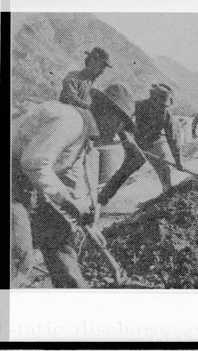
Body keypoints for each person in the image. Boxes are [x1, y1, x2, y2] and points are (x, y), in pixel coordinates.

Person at [12, 83, 137, 288]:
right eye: (121, 123)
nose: (119, 131)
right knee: (19, 256)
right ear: (108, 114)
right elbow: (34, 163)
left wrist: (88, 218)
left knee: (59, 231)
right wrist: (68, 203)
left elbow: (73, 181)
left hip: (26, 184)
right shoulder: (69, 121)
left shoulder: (84, 138)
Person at [96, 84, 184, 204]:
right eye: (158, 103)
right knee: (124, 171)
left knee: (164, 170)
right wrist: (125, 138)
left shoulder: (167, 116)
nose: (160, 107)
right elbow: (121, 120)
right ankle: (101, 200)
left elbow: (173, 141)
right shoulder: (138, 106)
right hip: (137, 143)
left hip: (156, 143)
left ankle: (166, 200)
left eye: (164, 105)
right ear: (152, 98)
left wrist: (178, 162)